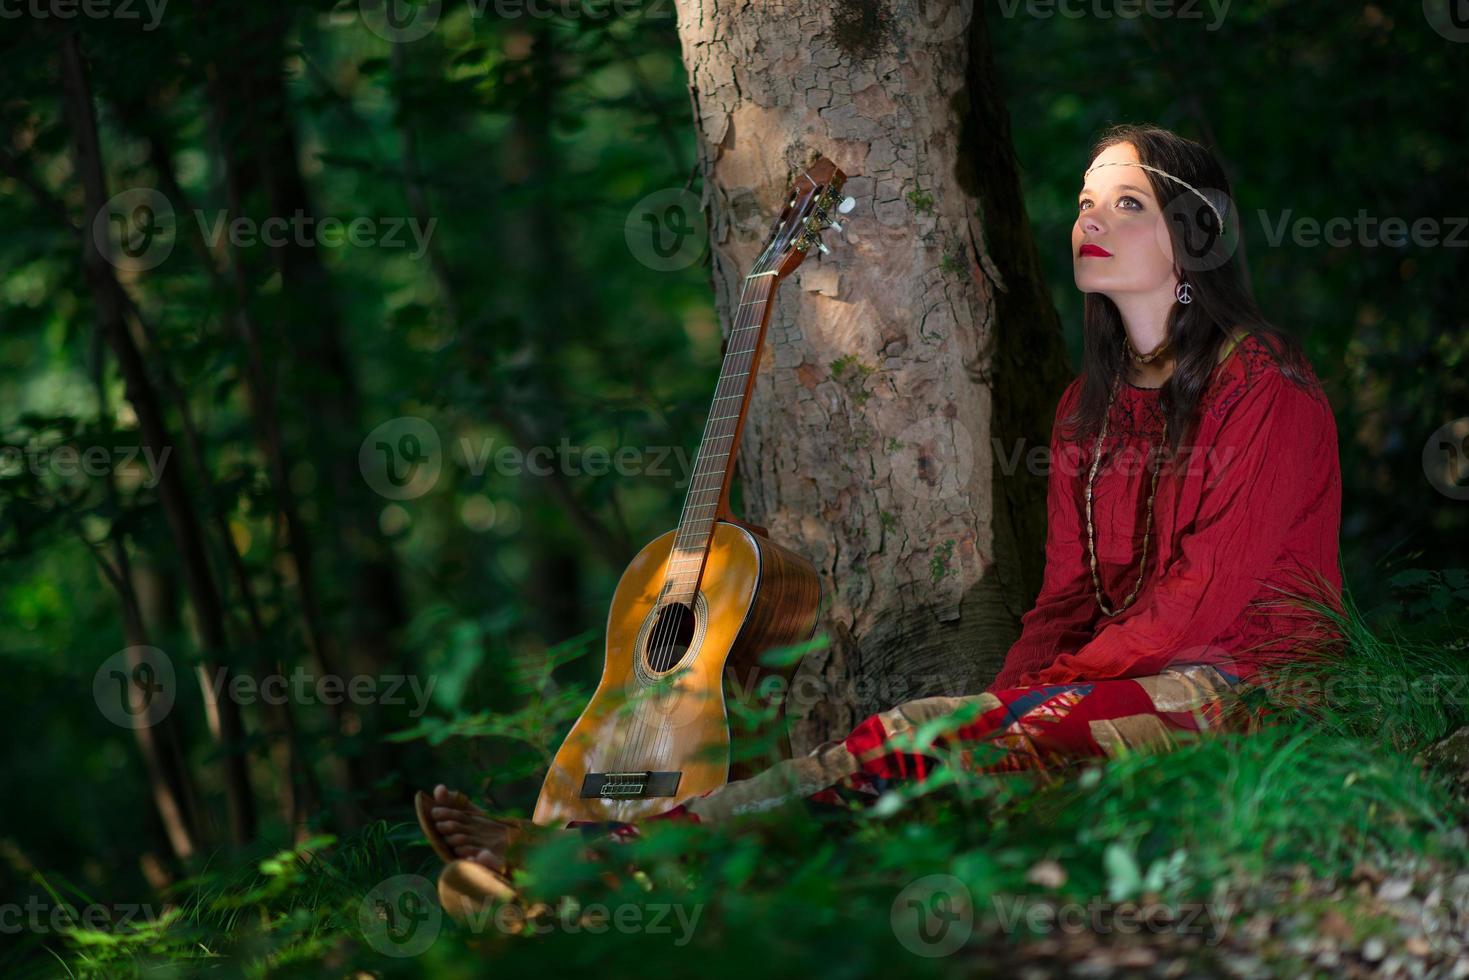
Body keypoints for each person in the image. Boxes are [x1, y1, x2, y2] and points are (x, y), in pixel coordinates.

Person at [419, 124, 1346, 913]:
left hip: (1245, 691)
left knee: (925, 742)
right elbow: (1065, 594)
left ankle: (593, 859)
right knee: (895, 749)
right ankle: (602, 855)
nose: (1089, 220)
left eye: (1126, 204)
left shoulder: (1265, 386)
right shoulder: (1084, 410)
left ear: (1195, 233)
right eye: (1082, 202)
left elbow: (1202, 602)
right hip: (1113, 687)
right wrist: (1013, 694)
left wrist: (1031, 696)